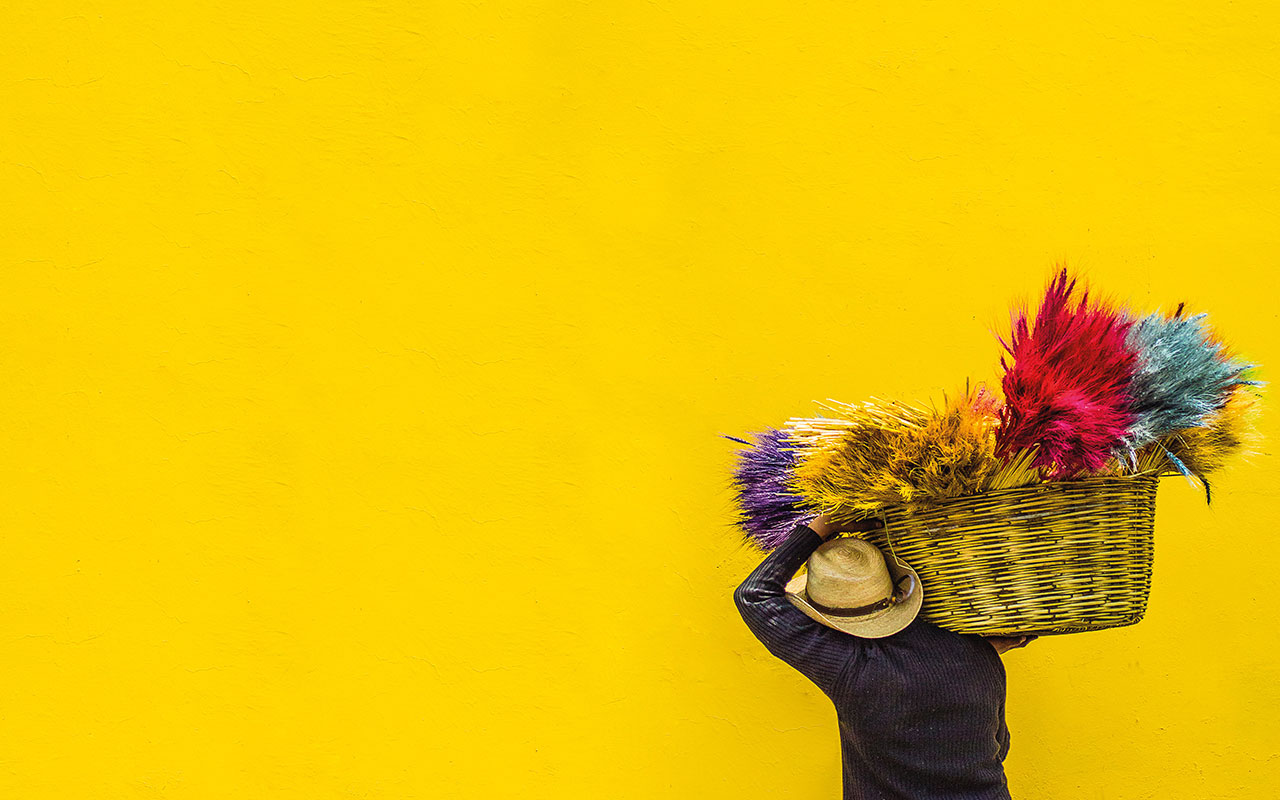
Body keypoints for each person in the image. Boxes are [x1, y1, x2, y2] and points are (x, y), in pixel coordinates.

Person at [734, 513, 1034, 800]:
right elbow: (999, 747)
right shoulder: (981, 655)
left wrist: (825, 525)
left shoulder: (850, 668)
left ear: (832, 621)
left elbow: (753, 595)